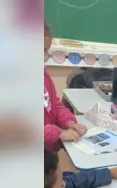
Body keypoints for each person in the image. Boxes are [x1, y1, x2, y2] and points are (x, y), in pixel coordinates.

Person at [44, 21, 87, 152]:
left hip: (48, 149)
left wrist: (69, 122)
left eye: (46, 51)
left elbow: (54, 105)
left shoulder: (42, 74)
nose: (44, 56)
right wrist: (58, 133)